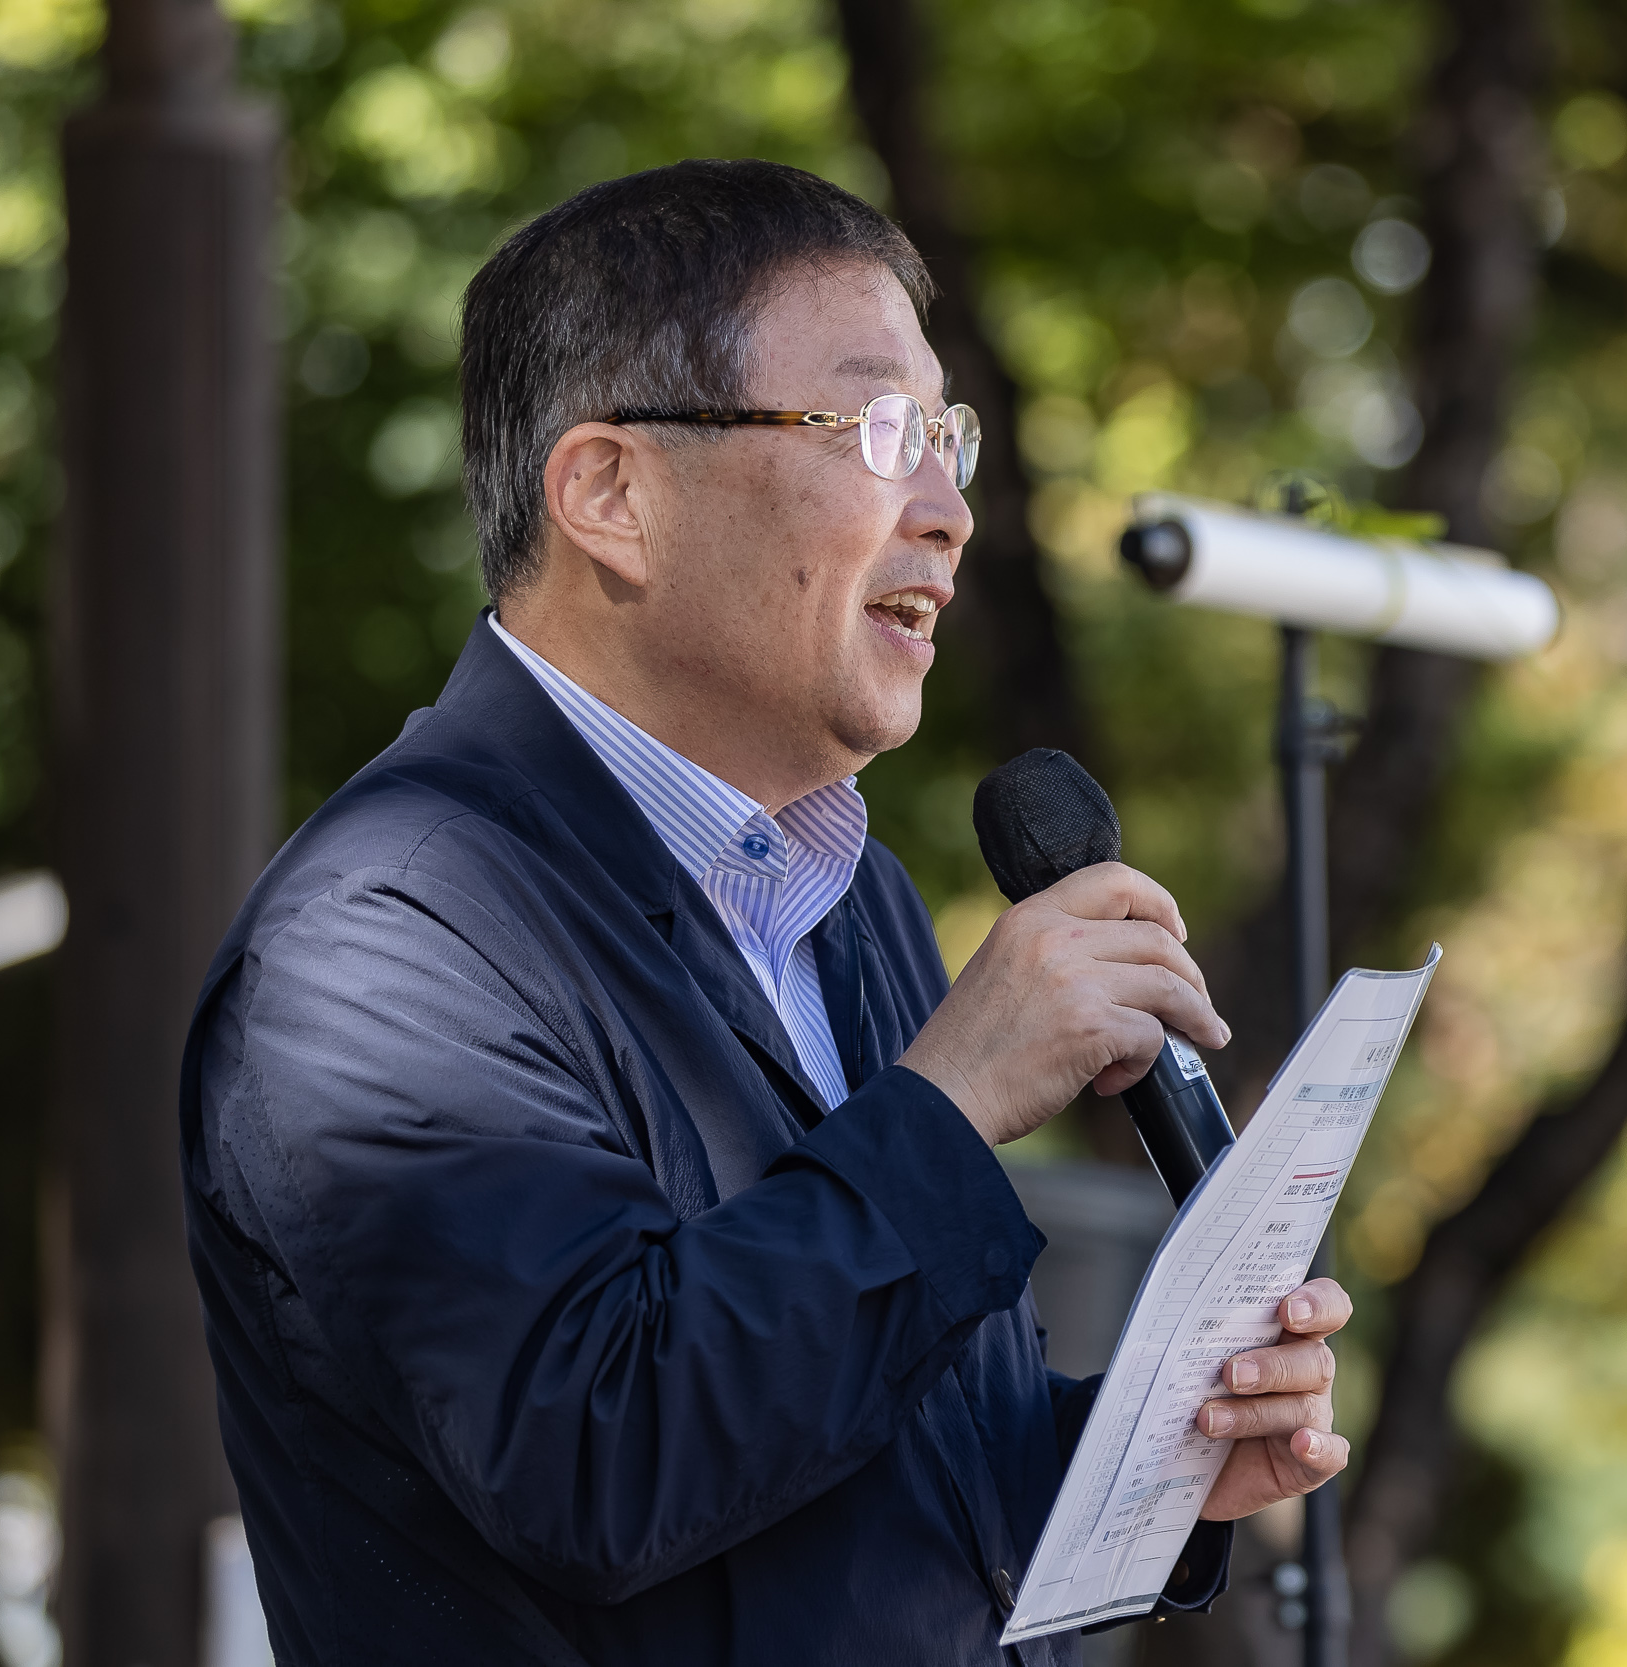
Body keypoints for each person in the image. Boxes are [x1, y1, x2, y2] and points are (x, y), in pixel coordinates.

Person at [180, 159, 1351, 1666]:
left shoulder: (842, 888)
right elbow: (601, 1459)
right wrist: (955, 1100)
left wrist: (1154, 1457)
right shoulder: (381, 939)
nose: (947, 511)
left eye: (950, 438)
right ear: (613, 493)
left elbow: (852, 1495)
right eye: (877, 429)